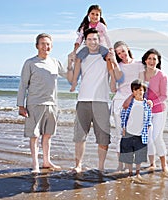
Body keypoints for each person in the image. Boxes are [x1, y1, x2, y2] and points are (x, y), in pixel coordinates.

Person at [17, 33, 68, 173]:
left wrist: (75, 58)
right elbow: (23, 85)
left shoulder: (55, 62)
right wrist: (21, 106)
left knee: (47, 135)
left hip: (51, 104)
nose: (46, 46)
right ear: (37, 46)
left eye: (48, 44)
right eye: (43, 43)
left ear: (51, 46)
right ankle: (35, 165)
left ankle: (46, 161)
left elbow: (69, 75)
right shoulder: (30, 63)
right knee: (34, 136)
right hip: (34, 104)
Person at [67, 28, 113, 173]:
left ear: (99, 40)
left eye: (95, 39)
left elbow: (115, 75)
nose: (92, 42)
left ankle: (100, 167)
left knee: (103, 138)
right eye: (89, 39)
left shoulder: (106, 56)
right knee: (79, 136)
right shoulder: (82, 57)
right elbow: (71, 80)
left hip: (101, 101)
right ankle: (78, 165)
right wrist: (69, 63)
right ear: (85, 41)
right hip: (83, 101)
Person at [108, 41, 145, 171]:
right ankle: (121, 165)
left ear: (127, 49)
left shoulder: (139, 65)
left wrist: (131, 98)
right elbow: (113, 89)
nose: (122, 55)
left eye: (123, 51)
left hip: (134, 102)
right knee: (121, 135)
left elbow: (141, 85)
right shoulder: (116, 66)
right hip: (119, 102)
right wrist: (111, 70)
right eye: (118, 53)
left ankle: (135, 168)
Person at [142, 48, 168, 174]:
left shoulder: (162, 76)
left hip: (159, 110)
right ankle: (152, 164)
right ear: (145, 60)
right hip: (145, 111)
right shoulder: (141, 74)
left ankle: (164, 165)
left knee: (157, 138)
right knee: (148, 138)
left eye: (154, 59)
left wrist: (153, 102)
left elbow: (165, 96)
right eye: (149, 58)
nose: (151, 61)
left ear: (158, 61)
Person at [69, 4, 112, 92]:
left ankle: (110, 81)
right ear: (88, 14)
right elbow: (79, 39)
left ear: (100, 16)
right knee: (78, 59)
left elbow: (107, 37)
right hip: (88, 47)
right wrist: (74, 51)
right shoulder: (85, 26)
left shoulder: (101, 26)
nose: (95, 16)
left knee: (109, 59)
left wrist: (110, 49)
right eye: (93, 14)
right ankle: (75, 81)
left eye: (97, 14)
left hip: (100, 47)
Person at [120, 79, 152, 180]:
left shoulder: (147, 105)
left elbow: (149, 119)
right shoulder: (130, 103)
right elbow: (123, 115)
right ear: (133, 92)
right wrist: (123, 128)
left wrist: (147, 129)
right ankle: (129, 172)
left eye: (141, 90)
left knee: (139, 156)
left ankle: (137, 173)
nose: (138, 92)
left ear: (144, 91)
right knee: (128, 155)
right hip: (129, 133)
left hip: (140, 135)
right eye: (136, 90)